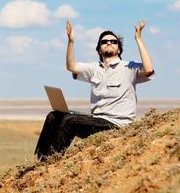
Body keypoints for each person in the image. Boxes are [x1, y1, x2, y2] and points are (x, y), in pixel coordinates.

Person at [35, 19, 155, 160]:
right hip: (97, 120)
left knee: (70, 121)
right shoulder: (94, 69)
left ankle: (52, 161)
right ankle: (40, 162)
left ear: (119, 49)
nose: (109, 43)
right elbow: (71, 67)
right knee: (54, 116)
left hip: (116, 125)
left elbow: (149, 69)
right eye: (104, 42)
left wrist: (138, 39)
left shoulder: (129, 68)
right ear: (99, 49)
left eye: (114, 41)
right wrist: (71, 41)